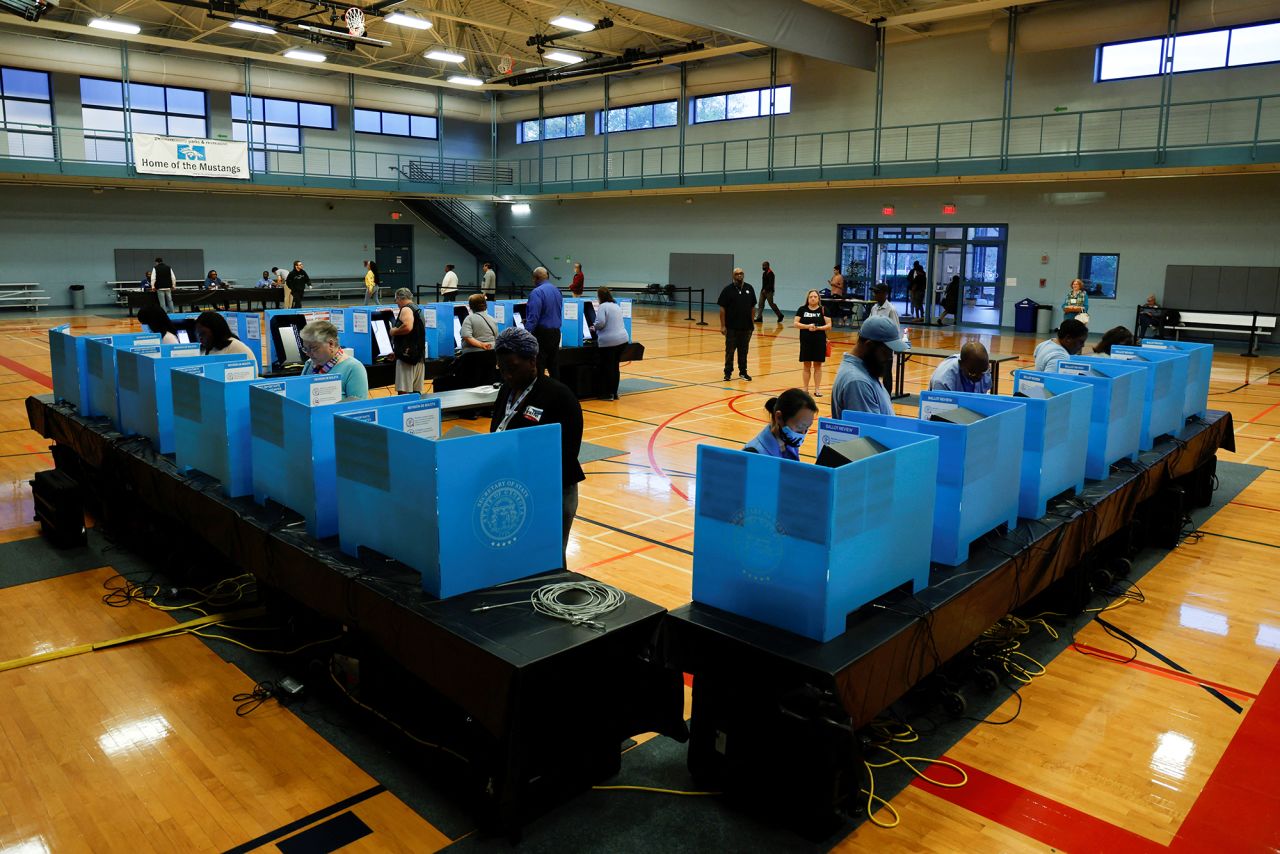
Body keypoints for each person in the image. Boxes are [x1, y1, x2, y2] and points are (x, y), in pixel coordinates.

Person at [489, 327, 584, 564]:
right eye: (502, 369)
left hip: (553, 490)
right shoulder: (506, 390)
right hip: (514, 487)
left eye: (512, 368)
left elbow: (567, 453)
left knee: (548, 555)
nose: (507, 375)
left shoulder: (559, 396)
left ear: (532, 361)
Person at [830, 315, 909, 418]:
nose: (890, 357)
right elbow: (870, 432)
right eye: (886, 351)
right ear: (869, 345)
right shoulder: (858, 382)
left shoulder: (867, 370)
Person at [300, 320, 368, 401]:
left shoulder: (353, 368)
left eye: (313, 348)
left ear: (331, 344)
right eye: (305, 349)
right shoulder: (310, 364)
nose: (308, 353)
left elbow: (358, 407)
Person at [743, 389, 818, 461]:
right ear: (779, 417)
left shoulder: (789, 443)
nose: (802, 434)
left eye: (807, 427)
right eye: (800, 427)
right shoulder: (753, 454)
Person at [718, 267, 757, 382]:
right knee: (730, 351)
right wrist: (723, 325)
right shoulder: (727, 290)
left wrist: (752, 323)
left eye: (741, 273)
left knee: (743, 351)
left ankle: (743, 372)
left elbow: (752, 307)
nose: (739, 275)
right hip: (731, 328)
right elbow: (722, 309)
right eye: (737, 274)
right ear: (733, 276)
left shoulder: (749, 288)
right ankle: (728, 373)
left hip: (746, 327)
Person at [525, 266, 564, 380]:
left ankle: (541, 393)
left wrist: (526, 334)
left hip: (541, 334)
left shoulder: (537, 292)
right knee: (554, 365)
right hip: (556, 332)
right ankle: (557, 393)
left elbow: (533, 316)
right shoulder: (557, 290)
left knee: (539, 365)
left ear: (535, 278)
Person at [593, 287, 628, 401]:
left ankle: (607, 394)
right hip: (622, 340)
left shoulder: (603, 306)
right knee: (614, 366)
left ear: (600, 297)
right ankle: (614, 393)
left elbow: (601, 322)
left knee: (607, 367)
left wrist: (594, 327)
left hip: (609, 342)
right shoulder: (615, 305)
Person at [388, 288, 425, 395]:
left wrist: (393, 331)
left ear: (399, 298)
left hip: (407, 359)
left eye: (396, 300)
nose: (396, 303)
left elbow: (408, 327)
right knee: (416, 392)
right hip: (418, 356)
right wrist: (397, 352)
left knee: (403, 393)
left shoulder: (406, 309)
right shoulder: (417, 309)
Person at [794, 289, 830, 398]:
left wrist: (818, 328)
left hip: (819, 341)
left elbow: (829, 325)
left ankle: (817, 389)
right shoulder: (802, 309)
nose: (813, 298)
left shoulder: (823, 310)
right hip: (806, 341)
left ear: (818, 298)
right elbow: (796, 323)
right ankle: (805, 389)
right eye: (811, 297)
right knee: (806, 365)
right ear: (808, 298)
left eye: (815, 296)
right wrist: (807, 326)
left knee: (818, 366)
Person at [869, 283, 901, 394]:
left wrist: (895, 346)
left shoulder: (891, 310)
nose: (875, 295)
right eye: (874, 292)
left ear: (885, 294)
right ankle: (874, 395)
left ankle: (887, 397)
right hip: (874, 347)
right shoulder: (874, 308)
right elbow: (869, 324)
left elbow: (896, 329)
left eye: (877, 292)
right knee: (873, 373)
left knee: (886, 375)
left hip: (886, 348)